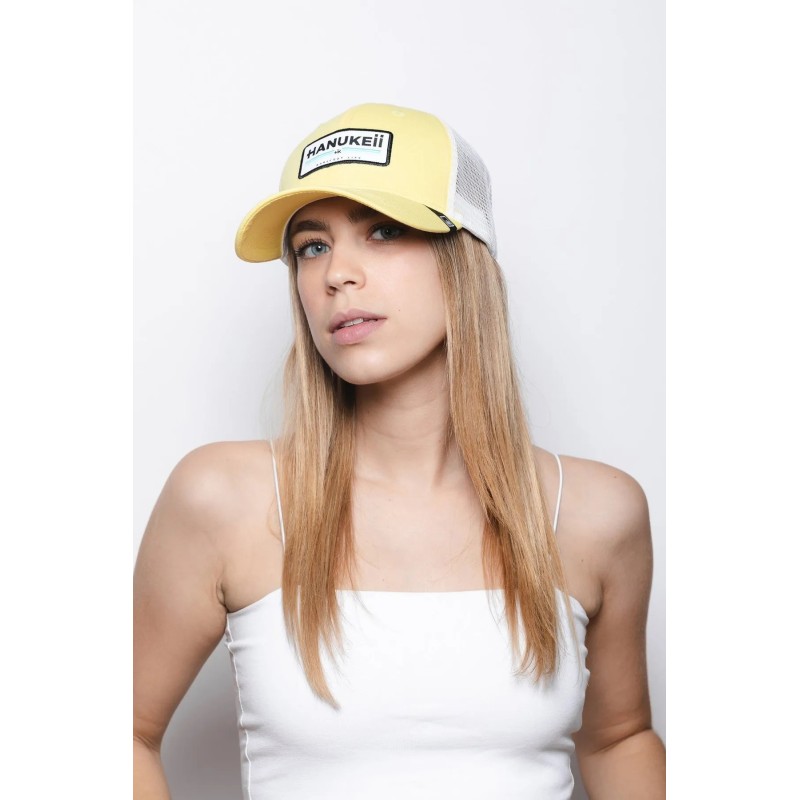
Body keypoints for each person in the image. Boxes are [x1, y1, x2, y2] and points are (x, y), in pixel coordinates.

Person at [133, 102, 665, 799]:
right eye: (312, 247)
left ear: (465, 256)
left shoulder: (596, 511)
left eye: (383, 230)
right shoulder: (226, 499)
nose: (336, 274)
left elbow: (619, 738)